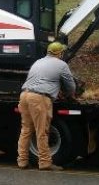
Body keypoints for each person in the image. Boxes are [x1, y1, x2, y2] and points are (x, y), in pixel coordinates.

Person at [17, 41, 76, 171]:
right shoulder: (61, 65)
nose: (62, 54)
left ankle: (22, 161)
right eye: (62, 52)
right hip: (39, 98)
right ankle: (44, 163)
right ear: (59, 53)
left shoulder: (38, 62)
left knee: (26, 130)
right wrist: (68, 94)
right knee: (42, 131)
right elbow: (71, 87)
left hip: (24, 95)